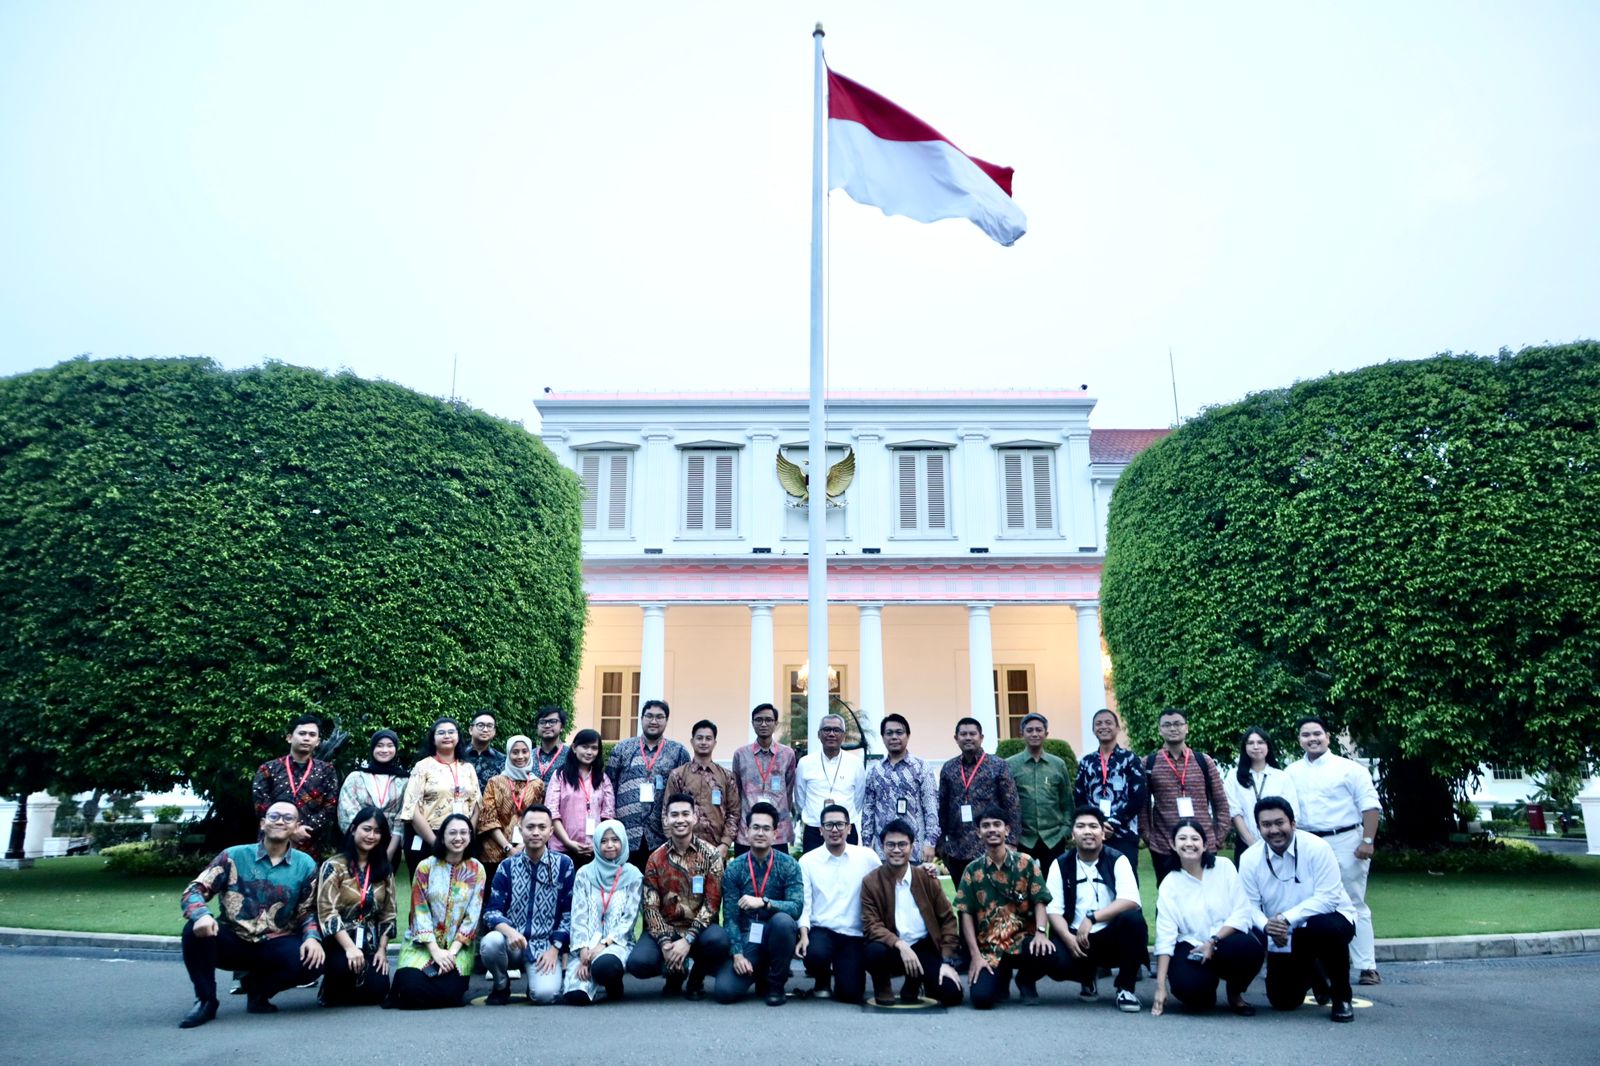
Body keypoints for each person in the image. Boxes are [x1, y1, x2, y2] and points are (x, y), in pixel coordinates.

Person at [177, 797, 325, 1028]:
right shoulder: (233, 856)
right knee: (193, 932)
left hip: (274, 942)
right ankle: (205, 1000)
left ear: (296, 827)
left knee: (313, 961)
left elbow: (307, 910)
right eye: (274, 816)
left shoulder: (305, 864)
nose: (280, 821)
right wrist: (201, 915)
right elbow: (195, 890)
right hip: (233, 939)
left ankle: (259, 991)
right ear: (263, 823)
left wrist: (312, 938)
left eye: (288, 818)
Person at [1238, 797, 1357, 1022]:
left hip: (1326, 921)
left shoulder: (1318, 848)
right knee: (1283, 1001)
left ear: (1293, 823)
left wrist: (1286, 919)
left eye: (1279, 822)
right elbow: (1248, 904)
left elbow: (1328, 898)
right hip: (1283, 933)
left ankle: (1341, 997)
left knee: (1326, 928)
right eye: (1266, 825)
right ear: (1259, 828)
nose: (1274, 830)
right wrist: (1267, 926)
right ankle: (1316, 971)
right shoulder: (1249, 859)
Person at [1284, 715, 1382, 986]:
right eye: (1306, 735)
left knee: (1352, 901)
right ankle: (1320, 968)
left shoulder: (1349, 769)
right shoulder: (1291, 772)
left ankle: (1367, 967)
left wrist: (1368, 841)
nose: (1312, 739)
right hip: (1307, 843)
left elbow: (1370, 806)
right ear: (1299, 740)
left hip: (1346, 840)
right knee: (1310, 903)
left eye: (1317, 733)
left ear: (1327, 736)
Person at [1151, 819, 1264, 1017]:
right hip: (1192, 945)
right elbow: (1165, 936)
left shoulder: (1224, 867)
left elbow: (1242, 912)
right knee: (1193, 994)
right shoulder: (1169, 884)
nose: (1189, 843)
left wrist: (1213, 941)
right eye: (1182, 838)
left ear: (1204, 845)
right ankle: (1205, 988)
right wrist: (1160, 987)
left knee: (1250, 948)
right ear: (1173, 845)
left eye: (1195, 839)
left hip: (1226, 940)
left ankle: (1234, 993)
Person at [1041, 806, 1147, 1012]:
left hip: (1110, 936)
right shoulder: (1060, 864)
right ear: (1073, 834)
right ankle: (1086, 976)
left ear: (1103, 833)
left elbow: (1130, 900)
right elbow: (1053, 910)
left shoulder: (1118, 859)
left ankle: (1125, 988)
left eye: (1093, 826)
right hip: (1076, 937)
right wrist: (1067, 938)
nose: (1087, 831)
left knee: (1133, 920)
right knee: (1052, 959)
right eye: (1081, 826)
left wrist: (1092, 918)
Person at [629, 793, 733, 999]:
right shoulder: (655, 858)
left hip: (700, 930)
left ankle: (696, 977)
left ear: (695, 817)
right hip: (666, 928)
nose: (680, 820)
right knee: (638, 963)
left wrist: (687, 940)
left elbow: (712, 905)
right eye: (674, 815)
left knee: (719, 941)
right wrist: (665, 944)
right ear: (666, 819)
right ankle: (674, 974)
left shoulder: (711, 855)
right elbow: (650, 907)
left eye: (685, 814)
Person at [957, 806, 1053, 1010]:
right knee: (982, 999)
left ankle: (1026, 980)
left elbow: (1040, 900)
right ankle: (1001, 978)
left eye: (997, 824)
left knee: (1050, 953)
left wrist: (1041, 933)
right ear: (978, 832)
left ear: (1007, 830)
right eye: (986, 826)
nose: (992, 829)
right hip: (990, 947)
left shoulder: (1026, 863)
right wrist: (975, 955)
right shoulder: (972, 870)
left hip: (1023, 939)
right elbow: (965, 913)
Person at [861, 818, 964, 1007]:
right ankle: (883, 986)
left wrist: (946, 961)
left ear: (912, 846)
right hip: (891, 948)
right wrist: (900, 944)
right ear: (882, 847)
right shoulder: (871, 882)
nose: (896, 850)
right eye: (891, 845)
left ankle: (914, 982)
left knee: (952, 995)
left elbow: (948, 919)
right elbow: (871, 925)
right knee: (873, 951)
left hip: (923, 947)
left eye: (902, 844)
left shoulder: (926, 878)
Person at [482, 805, 575, 1006]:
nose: (536, 832)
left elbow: (569, 914)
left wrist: (555, 949)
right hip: (512, 944)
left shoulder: (564, 865)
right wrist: (510, 932)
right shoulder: (507, 866)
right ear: (520, 829)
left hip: (545, 946)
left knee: (545, 995)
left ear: (551, 831)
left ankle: (535, 982)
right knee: (490, 942)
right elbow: (491, 912)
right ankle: (501, 984)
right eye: (530, 827)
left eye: (542, 827)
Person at [389, 813, 485, 1009]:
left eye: (463, 833)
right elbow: (419, 912)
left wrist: (450, 953)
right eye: (452, 833)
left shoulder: (477, 869)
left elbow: (472, 917)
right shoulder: (425, 867)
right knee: (411, 989)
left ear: (470, 836)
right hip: (422, 945)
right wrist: (435, 951)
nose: (458, 838)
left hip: (457, 947)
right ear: (442, 837)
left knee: (450, 993)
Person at [713, 801, 803, 1006]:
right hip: (748, 937)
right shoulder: (735, 868)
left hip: (776, 935)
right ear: (747, 832)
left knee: (783, 922)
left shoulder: (789, 865)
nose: (760, 833)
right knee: (724, 992)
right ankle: (760, 972)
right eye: (755, 827)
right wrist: (737, 954)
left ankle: (776, 985)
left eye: (766, 828)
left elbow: (796, 907)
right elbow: (730, 918)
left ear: (775, 833)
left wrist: (764, 902)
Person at [797, 802, 882, 1003]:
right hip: (822, 930)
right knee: (815, 954)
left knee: (850, 994)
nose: (834, 830)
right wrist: (803, 935)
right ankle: (822, 978)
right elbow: (805, 903)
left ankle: (845, 972)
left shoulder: (866, 857)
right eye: (829, 825)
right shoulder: (808, 861)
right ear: (821, 830)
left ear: (849, 828)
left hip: (853, 933)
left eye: (840, 824)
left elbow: (887, 881)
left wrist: (923, 871)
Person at [316, 804, 398, 1007]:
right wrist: (350, 948)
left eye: (377, 831)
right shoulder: (333, 866)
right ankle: (331, 985)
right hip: (339, 940)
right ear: (353, 829)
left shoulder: (384, 869)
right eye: (366, 829)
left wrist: (382, 950)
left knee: (378, 990)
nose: (371, 836)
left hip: (369, 941)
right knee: (342, 972)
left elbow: (388, 914)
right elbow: (327, 912)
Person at [1143, 707, 1230, 884]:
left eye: (1177, 724)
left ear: (1186, 727)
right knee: (1169, 894)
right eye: (1167, 725)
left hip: (1203, 842)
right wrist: (1149, 838)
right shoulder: (1149, 763)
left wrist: (1218, 838)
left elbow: (1220, 802)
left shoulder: (1204, 761)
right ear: (1159, 730)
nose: (1173, 728)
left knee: (1207, 893)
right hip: (1164, 845)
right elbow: (1143, 807)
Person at [562, 819, 643, 1004]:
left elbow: (629, 919)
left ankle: (613, 984)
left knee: (605, 966)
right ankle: (590, 976)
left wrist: (604, 945)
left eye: (615, 840)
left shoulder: (633, 875)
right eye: (604, 841)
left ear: (623, 841)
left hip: (617, 943)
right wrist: (583, 951)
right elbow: (578, 915)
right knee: (576, 997)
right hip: (586, 945)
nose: (609, 845)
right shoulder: (584, 874)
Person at [607, 698, 690, 872]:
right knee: (627, 880)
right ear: (641, 718)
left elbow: (684, 791)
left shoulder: (678, 752)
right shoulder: (622, 748)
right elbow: (609, 786)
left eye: (659, 717)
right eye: (649, 716)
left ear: (666, 720)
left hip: (661, 832)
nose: (654, 721)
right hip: (628, 829)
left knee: (659, 881)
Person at [936, 717, 1020, 889]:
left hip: (990, 845)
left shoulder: (998, 765)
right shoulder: (949, 768)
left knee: (991, 897)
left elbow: (1012, 804)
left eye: (972, 734)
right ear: (956, 738)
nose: (968, 738)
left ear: (981, 737)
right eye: (963, 734)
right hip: (957, 848)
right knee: (963, 898)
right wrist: (941, 843)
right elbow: (942, 807)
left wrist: (1012, 841)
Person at [399, 717, 483, 878]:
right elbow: (412, 808)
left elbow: (477, 806)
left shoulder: (467, 768)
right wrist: (436, 843)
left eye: (451, 732)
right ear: (433, 739)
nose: (447, 736)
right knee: (427, 889)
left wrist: (466, 836)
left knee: (460, 888)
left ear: (458, 737)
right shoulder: (422, 766)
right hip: (428, 836)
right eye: (441, 733)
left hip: (460, 838)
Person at [251, 713, 340, 861]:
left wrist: (300, 830)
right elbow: (261, 806)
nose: (306, 738)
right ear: (289, 738)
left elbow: (330, 807)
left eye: (312, 735)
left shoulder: (327, 771)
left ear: (318, 741)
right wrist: (288, 830)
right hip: (271, 840)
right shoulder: (268, 769)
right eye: (302, 733)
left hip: (307, 841)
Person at [1072, 708, 1148, 874]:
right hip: (1092, 834)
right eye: (1098, 724)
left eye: (1108, 723)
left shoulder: (1130, 759)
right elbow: (1079, 797)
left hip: (1124, 833)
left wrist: (1113, 822)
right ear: (1093, 730)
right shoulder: (1086, 762)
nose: (1103, 726)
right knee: (1095, 882)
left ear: (1117, 728)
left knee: (1125, 881)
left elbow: (1138, 797)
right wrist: (1097, 824)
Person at [860, 713, 940, 864]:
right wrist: (866, 844)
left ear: (908, 736)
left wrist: (930, 842)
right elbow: (868, 810)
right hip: (883, 850)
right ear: (883, 737)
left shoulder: (922, 767)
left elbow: (931, 807)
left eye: (899, 732)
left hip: (914, 848)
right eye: (889, 733)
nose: (894, 737)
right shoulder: (875, 771)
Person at [1223, 726, 1299, 866]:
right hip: (1246, 844)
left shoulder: (1281, 777)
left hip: (1279, 842)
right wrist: (1252, 843)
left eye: (1260, 742)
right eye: (1250, 743)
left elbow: (1292, 812)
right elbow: (1234, 812)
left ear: (1268, 746)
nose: (1256, 747)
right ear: (1244, 747)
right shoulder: (1233, 777)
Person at [731, 703, 799, 855]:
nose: (763, 724)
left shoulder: (787, 754)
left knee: (778, 869)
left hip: (778, 831)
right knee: (745, 869)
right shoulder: (741, 754)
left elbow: (788, 790)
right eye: (758, 720)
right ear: (752, 723)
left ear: (776, 723)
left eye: (768, 720)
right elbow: (736, 791)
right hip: (747, 830)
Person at [1007, 712, 1073, 869]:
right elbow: (1005, 802)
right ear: (1022, 733)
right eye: (1029, 730)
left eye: (1039, 730)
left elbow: (1067, 801)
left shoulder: (1058, 764)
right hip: (1023, 838)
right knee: (1022, 882)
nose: (1034, 734)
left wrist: (1066, 830)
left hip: (1054, 838)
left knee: (1055, 881)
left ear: (1046, 734)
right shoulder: (1010, 765)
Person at [663, 720, 741, 852]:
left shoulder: (726, 776)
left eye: (708, 738)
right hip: (682, 847)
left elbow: (734, 812)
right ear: (692, 741)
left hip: (716, 848)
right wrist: (673, 842)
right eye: (699, 738)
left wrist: (725, 844)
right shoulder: (678, 775)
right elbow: (667, 810)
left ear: (714, 743)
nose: (703, 742)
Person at [477, 734, 544, 886]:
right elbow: (488, 819)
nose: (520, 756)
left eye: (524, 751)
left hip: (528, 851)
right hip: (494, 853)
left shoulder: (537, 785)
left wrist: (521, 847)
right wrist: (507, 848)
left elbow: (539, 819)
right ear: (508, 753)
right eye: (515, 752)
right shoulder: (495, 782)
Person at [794, 713, 867, 852]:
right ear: (819, 734)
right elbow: (800, 799)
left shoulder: (855, 764)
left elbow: (858, 799)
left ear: (843, 735)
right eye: (827, 730)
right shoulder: (805, 762)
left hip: (846, 830)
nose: (831, 734)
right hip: (815, 829)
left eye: (836, 730)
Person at [338, 729, 408, 866]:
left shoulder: (404, 780)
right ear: (372, 748)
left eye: (390, 745)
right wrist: (364, 837)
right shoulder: (356, 777)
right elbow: (347, 810)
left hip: (390, 844)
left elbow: (402, 816)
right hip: (357, 844)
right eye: (379, 745)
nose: (384, 750)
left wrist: (389, 852)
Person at [547, 728, 614, 869]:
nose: (589, 752)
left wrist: (598, 843)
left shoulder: (603, 779)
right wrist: (568, 842)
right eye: (585, 747)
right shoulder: (560, 776)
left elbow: (608, 816)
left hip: (594, 850)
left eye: (594, 748)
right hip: (562, 849)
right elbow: (552, 813)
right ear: (574, 748)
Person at [461, 709, 506, 790]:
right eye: (480, 725)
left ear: (494, 732)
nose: (485, 730)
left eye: (489, 726)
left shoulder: (503, 760)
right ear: (471, 730)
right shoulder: (458, 755)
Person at [531, 705, 570, 785]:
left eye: (552, 721)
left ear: (562, 727)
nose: (547, 725)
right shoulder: (529, 755)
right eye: (542, 722)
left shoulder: (571, 755)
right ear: (537, 728)